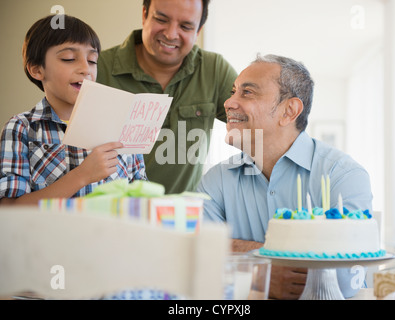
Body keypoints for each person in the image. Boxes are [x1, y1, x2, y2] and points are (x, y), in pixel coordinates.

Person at [197, 54, 373, 299]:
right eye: (233, 91)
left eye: (247, 93)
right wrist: (264, 272)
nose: (228, 102)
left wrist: (235, 252)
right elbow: (196, 254)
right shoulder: (215, 181)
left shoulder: (342, 176)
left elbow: (344, 279)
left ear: (289, 111)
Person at [0, 14, 146, 206]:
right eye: (69, 58)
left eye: (92, 60)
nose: (86, 68)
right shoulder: (22, 128)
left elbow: (142, 200)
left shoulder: (122, 124)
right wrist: (82, 175)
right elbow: (9, 211)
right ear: (37, 69)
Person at [97, 0, 237, 194]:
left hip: (179, 216)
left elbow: (256, 126)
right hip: (109, 214)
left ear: (198, 30)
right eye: (161, 19)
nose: (171, 34)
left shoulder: (214, 70)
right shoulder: (98, 68)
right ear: (144, 14)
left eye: (185, 26)